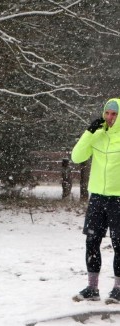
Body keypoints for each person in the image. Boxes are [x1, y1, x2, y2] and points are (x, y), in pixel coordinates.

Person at [71, 97, 120, 303]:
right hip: (97, 197)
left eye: (114, 114)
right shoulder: (97, 136)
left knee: (119, 243)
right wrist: (89, 132)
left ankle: (118, 288)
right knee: (92, 241)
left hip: (118, 197)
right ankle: (92, 288)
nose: (110, 118)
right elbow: (77, 157)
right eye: (107, 113)